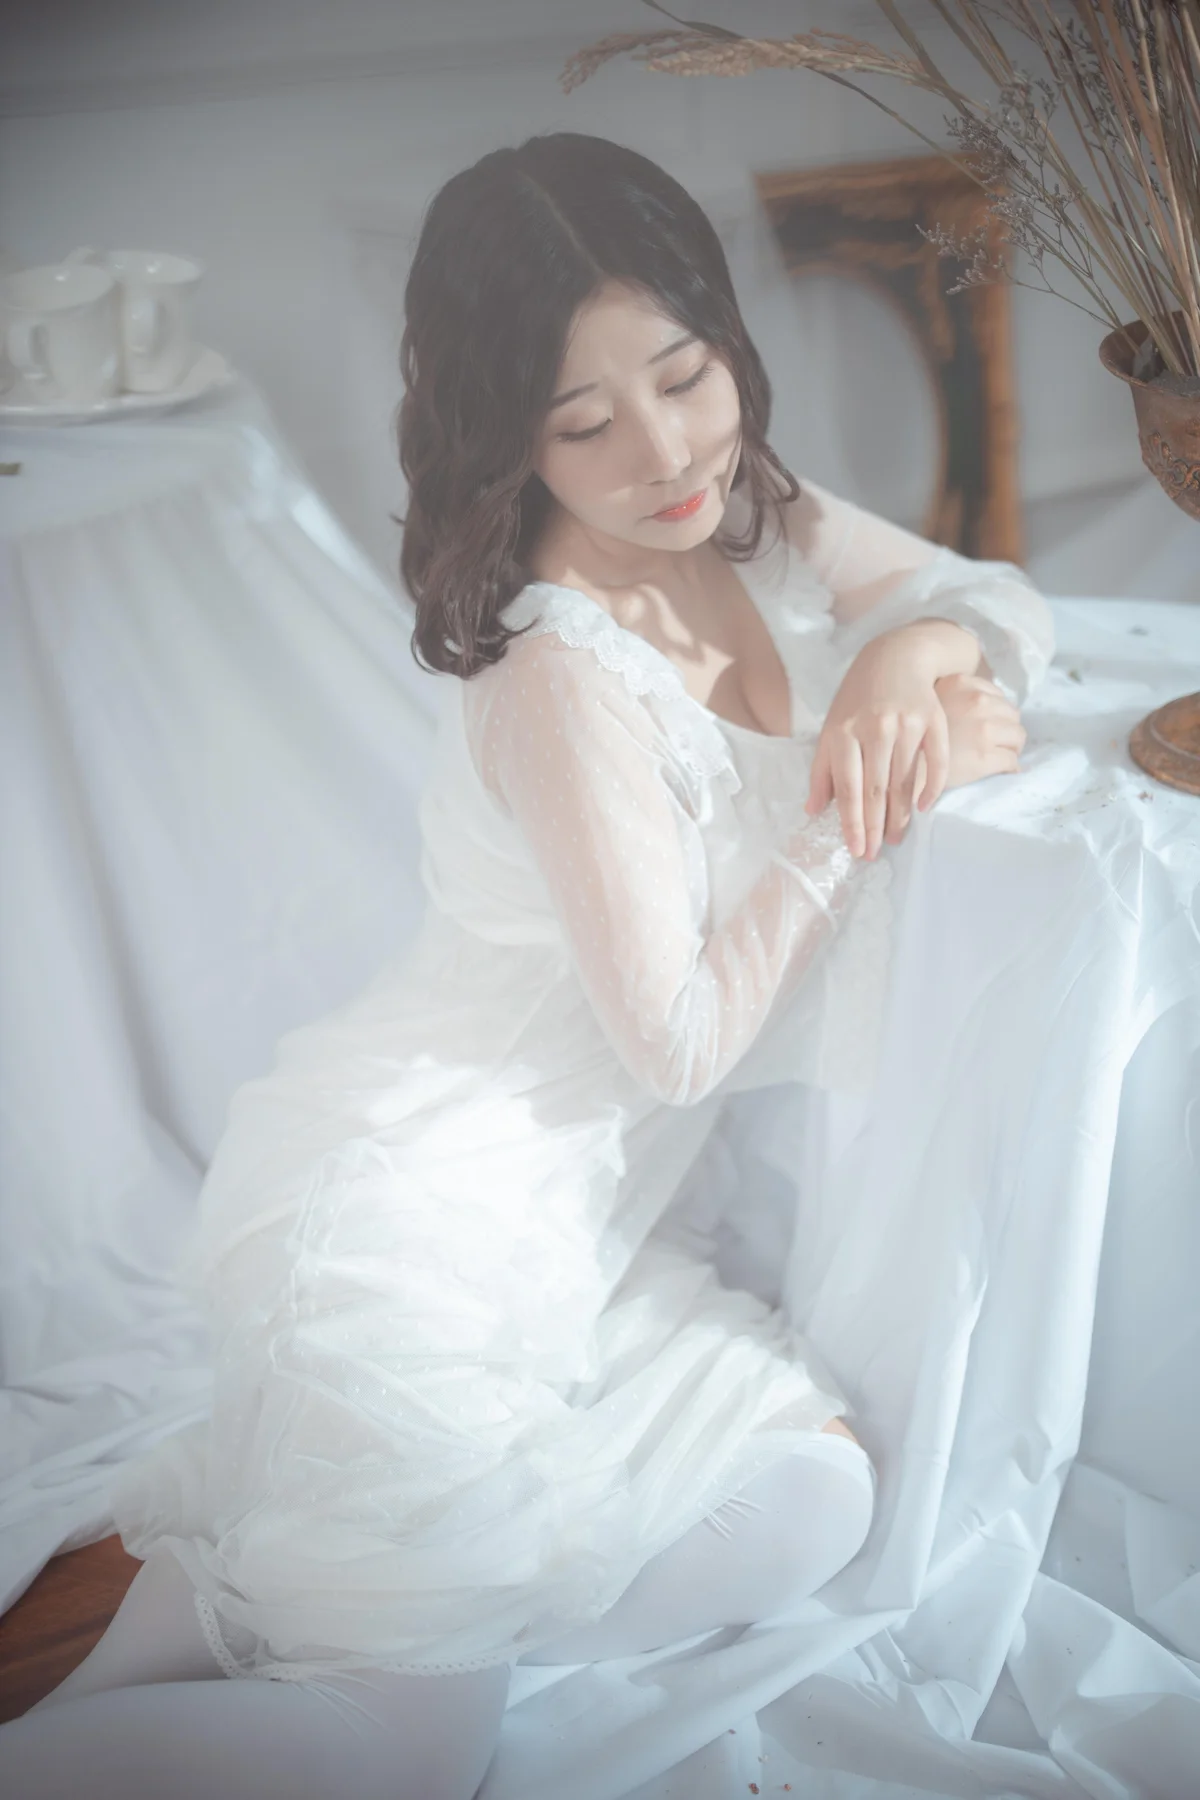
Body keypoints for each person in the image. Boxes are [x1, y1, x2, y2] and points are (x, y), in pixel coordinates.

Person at [0, 132, 1052, 1799]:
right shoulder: (563, 670)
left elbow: (987, 593)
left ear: (724, 341)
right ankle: (350, 1652)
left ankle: (285, 1604)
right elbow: (679, 1043)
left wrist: (898, 663)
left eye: (685, 377)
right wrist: (850, 808)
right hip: (419, 1216)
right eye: (584, 423)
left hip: (586, 1233)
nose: (666, 452)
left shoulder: (748, 511)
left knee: (817, 1499)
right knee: (410, 1761)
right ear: (508, 436)